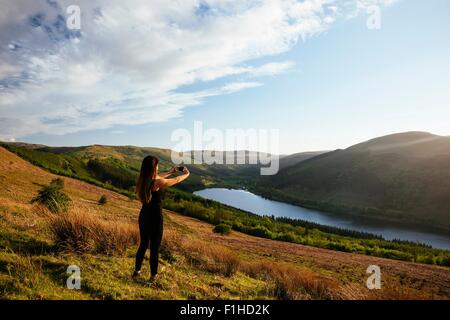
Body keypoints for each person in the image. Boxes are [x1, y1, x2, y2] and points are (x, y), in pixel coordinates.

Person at [133, 155, 189, 283]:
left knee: (143, 245)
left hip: (144, 216)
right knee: (154, 248)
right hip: (155, 218)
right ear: (153, 167)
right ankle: (153, 277)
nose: (158, 167)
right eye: (157, 165)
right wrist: (186, 174)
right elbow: (176, 180)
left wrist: (170, 171)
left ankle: (137, 271)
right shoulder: (157, 183)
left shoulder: (142, 179)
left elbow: (159, 176)